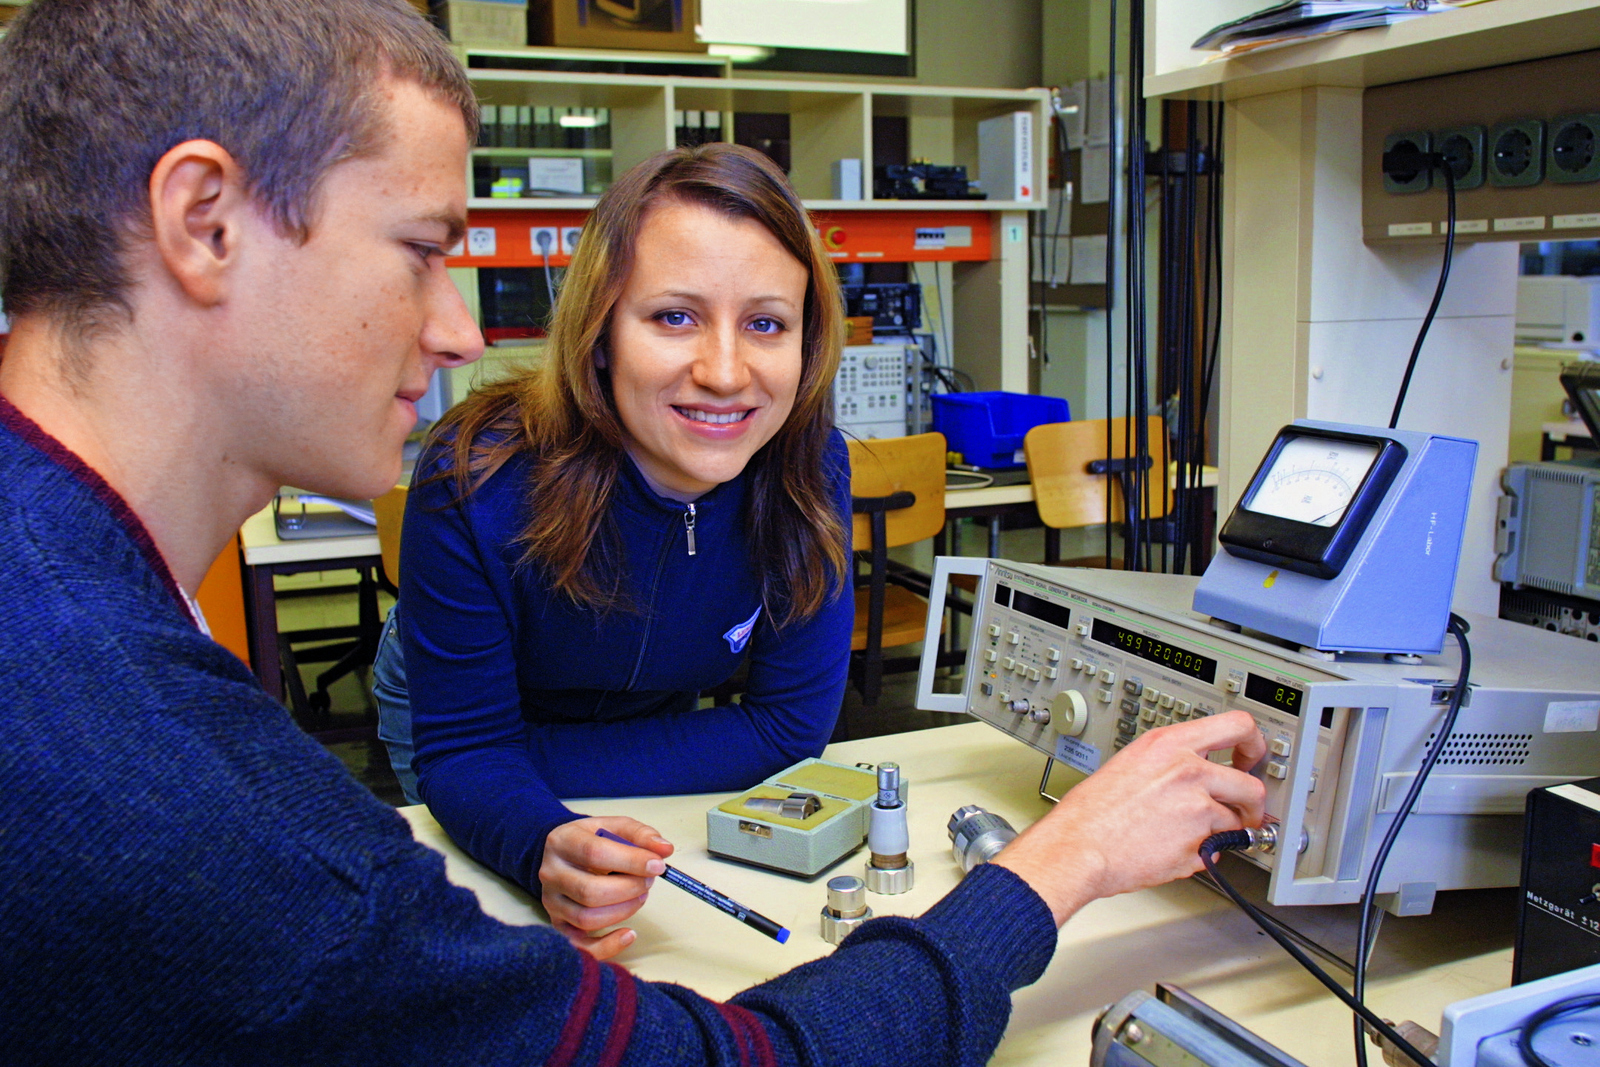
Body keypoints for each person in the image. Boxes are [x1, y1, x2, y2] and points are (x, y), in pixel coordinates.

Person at [0, 0, 1267, 1062]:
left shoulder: (73, 613)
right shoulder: (190, 795)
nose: (453, 331)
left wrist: (531, 773)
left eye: (767, 325)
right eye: (422, 251)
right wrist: (1065, 860)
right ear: (203, 221)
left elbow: (779, 726)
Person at [371, 142, 855, 959]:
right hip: (455, 704)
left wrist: (502, 761)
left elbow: (786, 729)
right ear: (600, 333)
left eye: (767, 323)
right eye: (675, 316)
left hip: (615, 712)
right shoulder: (477, 474)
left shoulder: (809, 467)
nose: (726, 371)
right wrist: (527, 827)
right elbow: (455, 745)